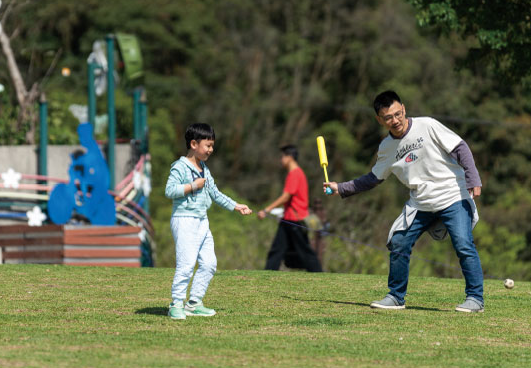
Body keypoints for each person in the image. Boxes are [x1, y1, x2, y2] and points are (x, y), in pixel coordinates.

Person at [324, 90, 485, 313]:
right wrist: (341, 188)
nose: (395, 120)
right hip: (420, 203)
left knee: (464, 245)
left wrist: (473, 178)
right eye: (388, 117)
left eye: (398, 114)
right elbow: (373, 179)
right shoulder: (386, 148)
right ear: (379, 119)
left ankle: (475, 299)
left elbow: (460, 148)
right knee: (399, 242)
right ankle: (396, 296)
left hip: (453, 196)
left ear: (404, 109)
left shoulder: (427, 125)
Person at [165, 122, 252, 320]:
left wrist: (236, 206)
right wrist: (193, 185)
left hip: (202, 221)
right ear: (194, 144)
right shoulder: (180, 167)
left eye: (212, 146)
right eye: (208, 145)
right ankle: (176, 304)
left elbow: (215, 193)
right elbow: (170, 191)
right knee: (186, 265)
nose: (211, 150)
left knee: (209, 263)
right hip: (184, 220)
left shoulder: (205, 168)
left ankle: (194, 303)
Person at [257, 144, 323, 272]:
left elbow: (286, 197)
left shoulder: (295, 174)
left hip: (295, 219)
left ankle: (319, 273)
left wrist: (266, 210)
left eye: (282, 157)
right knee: (277, 249)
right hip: (288, 218)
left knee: (305, 251)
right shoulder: (297, 173)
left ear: (290, 157)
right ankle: (267, 274)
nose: (280, 160)